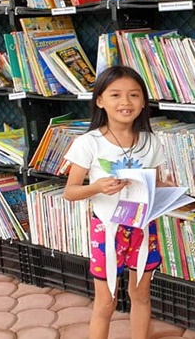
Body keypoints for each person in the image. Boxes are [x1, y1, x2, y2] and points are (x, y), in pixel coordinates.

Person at [63, 66, 173, 339]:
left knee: (141, 294)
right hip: (107, 230)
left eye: (134, 95)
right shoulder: (88, 143)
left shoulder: (150, 141)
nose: (125, 102)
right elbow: (70, 191)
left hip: (143, 228)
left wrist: (167, 190)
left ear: (143, 101)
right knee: (106, 300)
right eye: (115, 95)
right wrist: (97, 187)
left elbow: (154, 183)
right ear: (100, 100)